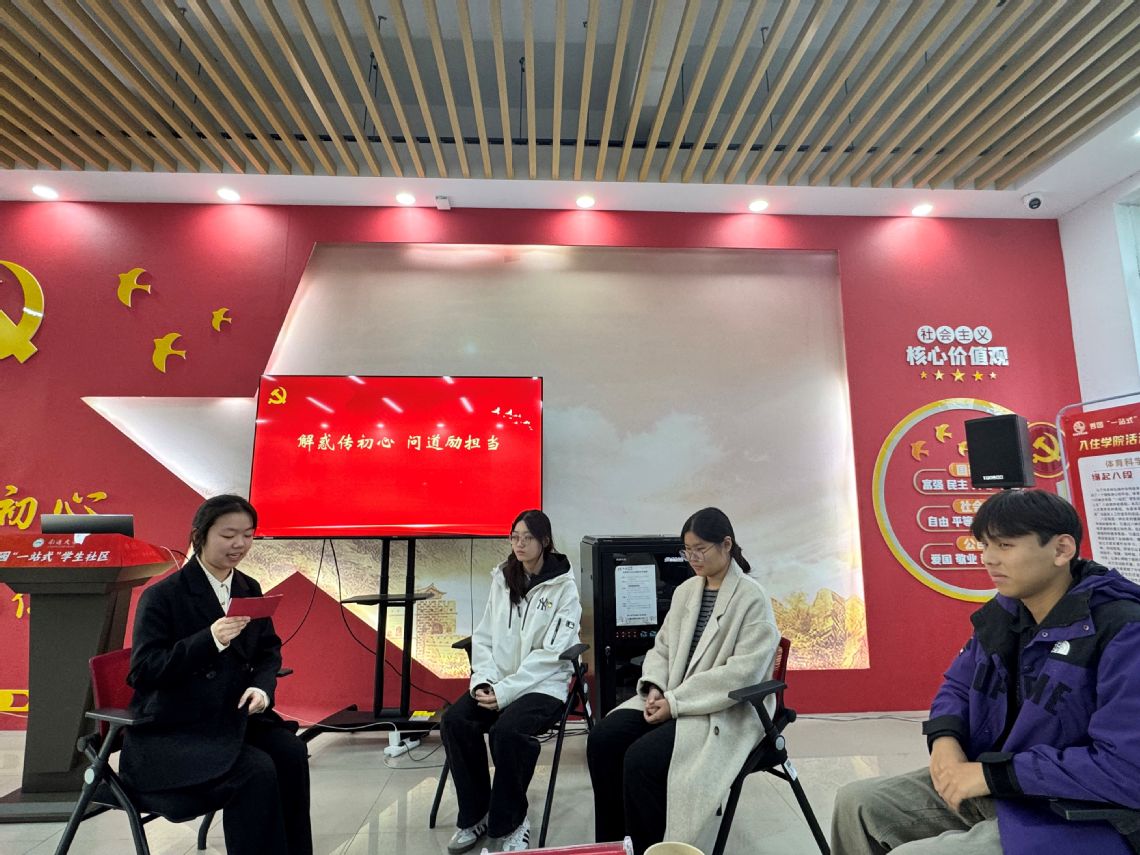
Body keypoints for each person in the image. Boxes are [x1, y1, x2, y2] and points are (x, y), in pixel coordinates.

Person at [831, 488, 1140, 855]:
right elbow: (958, 685)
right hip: (1007, 789)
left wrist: (991, 776)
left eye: (1005, 545)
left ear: (1061, 549)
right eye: (984, 545)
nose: (989, 559)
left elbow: (1127, 769)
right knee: (857, 803)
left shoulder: (1123, 630)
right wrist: (944, 741)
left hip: (1077, 813)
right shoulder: (1006, 613)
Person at [120, 494, 312, 855]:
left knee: (290, 752)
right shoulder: (162, 596)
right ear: (200, 535)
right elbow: (144, 671)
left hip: (231, 718)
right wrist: (209, 640)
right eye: (228, 535)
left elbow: (268, 650)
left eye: (248, 535)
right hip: (177, 729)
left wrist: (262, 688)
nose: (239, 544)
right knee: (256, 770)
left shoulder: (248, 588)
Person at [587, 507, 781, 855]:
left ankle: (652, 849)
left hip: (722, 708)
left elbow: (742, 674)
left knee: (641, 760)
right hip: (672, 693)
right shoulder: (686, 591)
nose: (692, 558)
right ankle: (615, 845)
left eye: (700, 549)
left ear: (726, 545)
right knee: (604, 739)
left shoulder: (752, 598)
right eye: (687, 550)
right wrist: (655, 687)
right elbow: (662, 648)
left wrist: (674, 703)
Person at [439, 509, 582, 853]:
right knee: (455, 721)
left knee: (507, 732)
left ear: (545, 541)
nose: (519, 544)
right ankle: (476, 815)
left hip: (543, 686)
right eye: (514, 537)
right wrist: (484, 681)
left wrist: (505, 692)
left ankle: (513, 822)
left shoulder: (564, 588)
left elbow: (552, 655)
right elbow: (485, 637)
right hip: (499, 680)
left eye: (527, 537)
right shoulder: (503, 578)